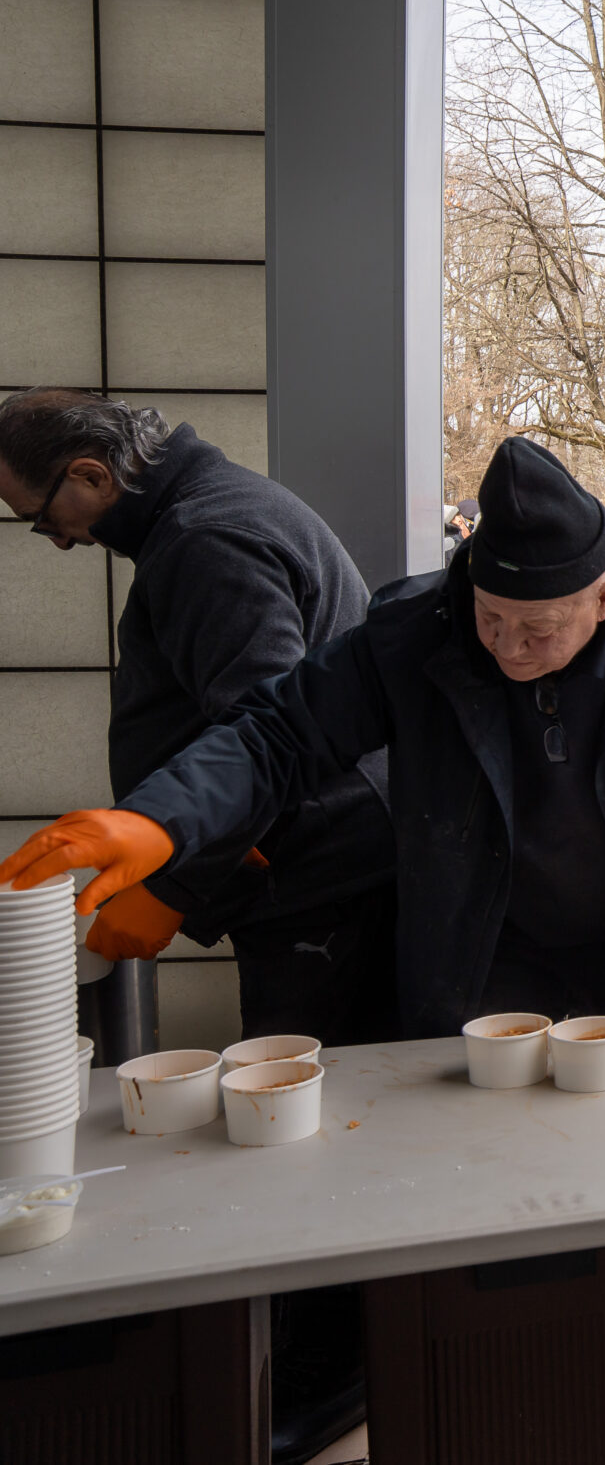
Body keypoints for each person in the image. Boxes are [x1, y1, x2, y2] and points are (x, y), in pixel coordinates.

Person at [0, 435, 605, 1379]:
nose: (510, 648)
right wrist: (160, 823)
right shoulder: (419, 631)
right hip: (490, 933)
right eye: (494, 620)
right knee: (492, 1145)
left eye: (541, 630)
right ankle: (498, 1325)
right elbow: (279, 733)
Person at [0, 391, 402, 1464]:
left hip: (326, 880)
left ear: (89, 473)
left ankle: (338, 1370)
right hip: (315, 875)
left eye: (39, 510)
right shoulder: (209, 516)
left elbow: (270, 736)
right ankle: (336, 1357)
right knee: (313, 1116)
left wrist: (177, 881)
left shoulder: (208, 540)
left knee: (305, 1125)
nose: (48, 534)